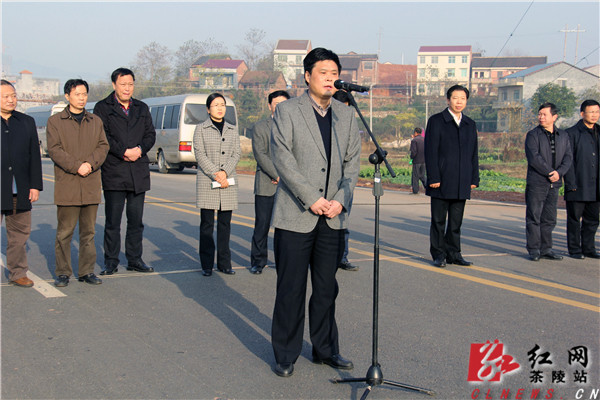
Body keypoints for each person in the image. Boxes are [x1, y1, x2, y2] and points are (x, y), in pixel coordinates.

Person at [270, 48, 361, 377]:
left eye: (334, 72)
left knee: (326, 288)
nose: (329, 77)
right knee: (291, 288)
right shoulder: (288, 112)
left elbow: (353, 164)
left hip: (333, 216)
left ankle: (325, 349)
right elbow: (283, 159)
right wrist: (311, 198)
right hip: (297, 214)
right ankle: (285, 353)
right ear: (307, 76)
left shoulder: (347, 115)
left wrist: (340, 199)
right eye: (323, 72)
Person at [93, 68, 156, 275]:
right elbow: (103, 136)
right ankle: (111, 261)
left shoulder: (141, 107)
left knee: (136, 220)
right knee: (113, 221)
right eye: (123, 84)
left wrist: (139, 150)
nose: (127, 88)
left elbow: (150, 135)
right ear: (114, 85)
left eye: (130, 84)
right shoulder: (103, 108)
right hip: (115, 170)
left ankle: (135, 259)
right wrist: (123, 152)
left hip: (138, 170)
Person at [47, 79, 109, 287]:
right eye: (77, 94)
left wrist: (90, 164)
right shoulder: (56, 122)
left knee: (88, 232)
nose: (82, 98)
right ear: (67, 96)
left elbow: (103, 146)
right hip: (69, 184)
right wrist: (77, 166)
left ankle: (86, 271)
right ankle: (63, 272)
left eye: (84, 94)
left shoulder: (95, 121)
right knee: (65, 232)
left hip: (90, 183)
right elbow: (55, 150)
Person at [424, 85, 479, 268]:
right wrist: (433, 177)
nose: (459, 102)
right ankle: (438, 254)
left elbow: (474, 154)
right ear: (448, 100)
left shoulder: (470, 124)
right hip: (441, 180)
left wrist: (473, 179)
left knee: (456, 222)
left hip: (462, 180)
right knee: (438, 221)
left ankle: (454, 253)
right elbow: (430, 151)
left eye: (462, 98)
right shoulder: (437, 121)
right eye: (455, 98)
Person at [0, 79, 43, 287]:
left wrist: (35, 185)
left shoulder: (26, 122)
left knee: (19, 234)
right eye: (6, 96)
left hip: (20, 188)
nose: (11, 100)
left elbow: (34, 155)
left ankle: (18, 273)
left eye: (13, 95)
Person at [193, 93, 240, 277]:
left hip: (227, 181)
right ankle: (206, 265)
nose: (220, 108)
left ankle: (224, 263)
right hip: (208, 181)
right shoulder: (201, 129)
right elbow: (200, 154)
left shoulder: (232, 128)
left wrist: (225, 173)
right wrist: (216, 174)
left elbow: (236, 153)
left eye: (222, 105)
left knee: (225, 225)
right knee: (206, 225)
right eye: (215, 105)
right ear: (208, 109)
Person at [525, 102, 572, 261]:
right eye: (539, 114)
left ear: (554, 117)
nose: (541, 117)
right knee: (534, 216)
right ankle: (534, 249)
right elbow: (534, 157)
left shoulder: (563, 136)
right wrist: (549, 172)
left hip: (555, 182)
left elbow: (568, 157)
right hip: (537, 182)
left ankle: (546, 248)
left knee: (550, 218)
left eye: (544, 114)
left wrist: (559, 173)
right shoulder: (533, 135)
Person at [249, 90, 290, 275]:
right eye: (276, 103)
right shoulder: (260, 127)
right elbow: (260, 154)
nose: (280, 106)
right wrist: (277, 174)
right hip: (267, 183)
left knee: (285, 228)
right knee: (262, 225)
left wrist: (288, 177)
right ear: (269, 106)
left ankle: (284, 262)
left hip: (289, 186)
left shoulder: (293, 126)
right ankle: (258, 261)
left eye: (284, 103)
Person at [563, 99, 600, 259]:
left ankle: (589, 248)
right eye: (591, 112)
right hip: (578, 184)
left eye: (597, 112)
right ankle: (575, 249)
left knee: (592, 220)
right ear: (582, 113)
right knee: (574, 220)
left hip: (596, 186)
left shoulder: (599, 132)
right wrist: (571, 183)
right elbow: (568, 161)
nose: (595, 115)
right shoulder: (571, 133)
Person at [331, 89, 359, 271]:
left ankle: (343, 257)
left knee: (344, 222)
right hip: (327, 181)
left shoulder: (351, 126)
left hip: (345, 182)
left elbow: (353, 157)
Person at [410, 127, 426, 194]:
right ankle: (428, 187)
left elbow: (414, 152)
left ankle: (415, 191)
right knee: (422, 175)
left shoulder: (414, 140)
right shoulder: (424, 139)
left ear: (415, 133)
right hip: (424, 161)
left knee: (415, 176)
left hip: (417, 161)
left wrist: (411, 157)